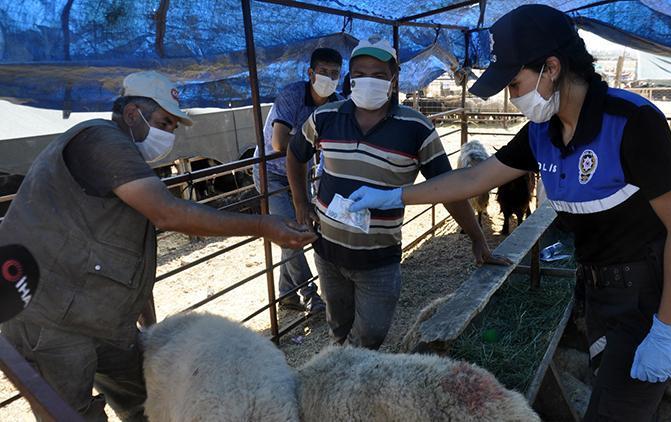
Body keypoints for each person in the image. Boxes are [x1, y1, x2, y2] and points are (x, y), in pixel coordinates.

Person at [348, 5, 671, 421]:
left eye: (515, 83)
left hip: (650, 297)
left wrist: (667, 329)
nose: (512, 97)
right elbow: (473, 179)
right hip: (596, 291)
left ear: (551, 67)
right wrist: (393, 196)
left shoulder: (631, 122)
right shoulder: (543, 131)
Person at [0, 70, 316, 421]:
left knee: (148, 397)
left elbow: (130, 249)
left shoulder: (129, 165)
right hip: (50, 317)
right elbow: (167, 214)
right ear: (133, 114)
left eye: (173, 127)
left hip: (103, 319)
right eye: (165, 122)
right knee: (73, 414)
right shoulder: (100, 141)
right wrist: (260, 224)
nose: (169, 134)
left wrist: (147, 326)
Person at [286, 39, 509, 351]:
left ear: (394, 78)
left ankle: (350, 370)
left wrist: (476, 236)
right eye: (360, 73)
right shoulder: (326, 117)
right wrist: (300, 203)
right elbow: (295, 155)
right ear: (350, 77)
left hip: (379, 260)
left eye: (379, 74)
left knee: (370, 337)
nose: (368, 80)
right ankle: (342, 378)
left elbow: (447, 187)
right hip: (328, 253)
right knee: (338, 329)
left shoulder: (415, 127)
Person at [252, 48, 343, 314]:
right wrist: (315, 142)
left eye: (334, 74)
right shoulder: (292, 96)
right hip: (271, 171)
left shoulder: (335, 103)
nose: (328, 78)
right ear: (310, 73)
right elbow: (279, 142)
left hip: (304, 171)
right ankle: (310, 295)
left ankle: (286, 295)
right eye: (323, 72)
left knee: (294, 227)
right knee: (292, 232)